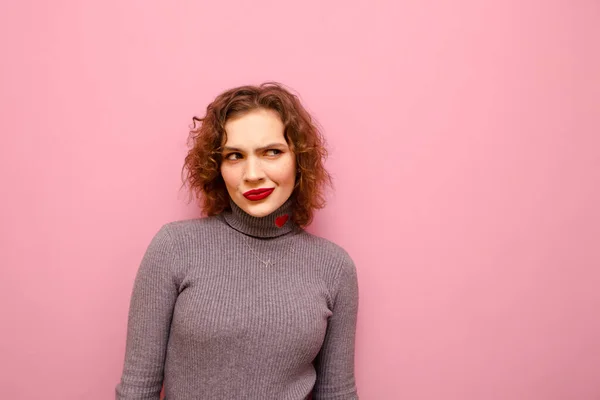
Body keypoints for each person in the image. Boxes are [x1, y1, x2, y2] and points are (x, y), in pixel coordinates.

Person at [115, 82, 359, 400]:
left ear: (298, 160)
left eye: (272, 152)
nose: (252, 173)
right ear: (218, 167)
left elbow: (337, 393)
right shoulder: (174, 247)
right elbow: (137, 390)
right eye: (234, 156)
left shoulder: (334, 267)